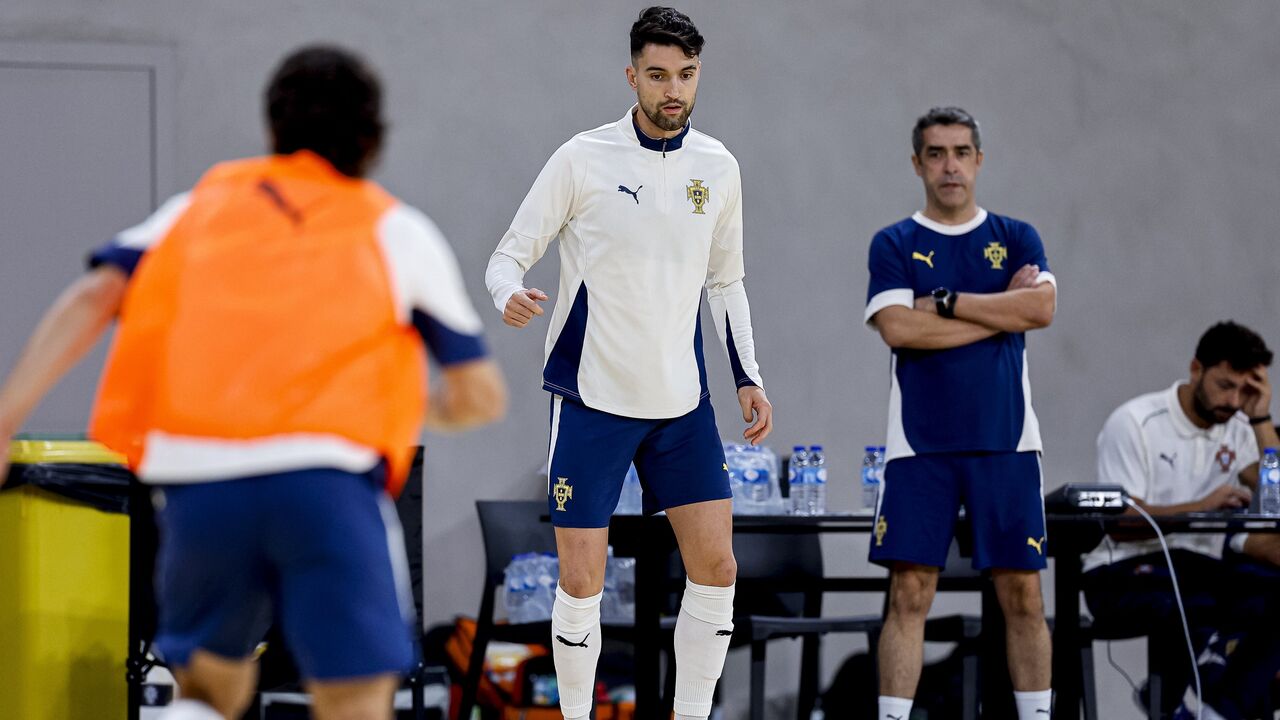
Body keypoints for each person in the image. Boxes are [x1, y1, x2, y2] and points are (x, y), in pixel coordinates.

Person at [0, 46, 506, 720]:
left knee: (209, 690)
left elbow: (94, 295)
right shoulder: (392, 228)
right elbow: (479, 394)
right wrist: (387, 398)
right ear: (373, 141)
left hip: (201, 490)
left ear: (272, 132)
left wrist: (5, 421)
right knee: (354, 697)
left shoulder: (192, 210)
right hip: (324, 484)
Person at [484, 7, 772, 719]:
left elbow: (725, 281)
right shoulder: (583, 157)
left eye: (686, 74)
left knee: (718, 570)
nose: (673, 90)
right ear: (631, 75)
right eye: (658, 75)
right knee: (581, 581)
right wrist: (507, 294)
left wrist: (747, 376)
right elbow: (506, 255)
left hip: (681, 406)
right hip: (590, 402)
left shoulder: (719, 166)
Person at [864, 106, 1056, 720]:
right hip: (921, 448)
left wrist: (945, 304)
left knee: (1023, 595)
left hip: (1007, 442)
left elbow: (1041, 312)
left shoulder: (1017, 236)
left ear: (980, 160)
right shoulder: (895, 242)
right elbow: (897, 329)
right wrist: (1000, 311)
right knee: (910, 593)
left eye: (962, 152)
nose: (951, 165)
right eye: (938, 154)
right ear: (918, 163)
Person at [1082, 321, 1280, 720]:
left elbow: (1276, 499)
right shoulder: (1136, 421)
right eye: (1226, 385)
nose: (1234, 399)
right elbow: (1120, 520)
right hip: (1119, 572)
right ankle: (1187, 701)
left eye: (1247, 390)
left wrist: (1261, 421)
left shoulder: (1241, 428)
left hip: (1198, 568)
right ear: (1195, 369)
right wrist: (1202, 506)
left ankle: (1213, 707)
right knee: (1198, 597)